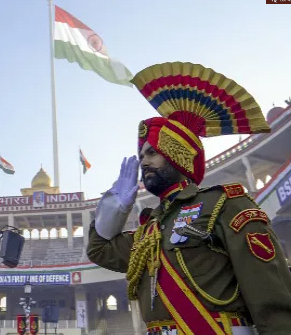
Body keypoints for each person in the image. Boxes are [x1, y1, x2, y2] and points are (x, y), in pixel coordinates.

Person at [87, 62, 291, 335]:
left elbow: (269, 290)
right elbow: (100, 250)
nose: (143, 162)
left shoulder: (224, 203)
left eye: (151, 153)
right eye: (141, 155)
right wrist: (114, 206)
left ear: (177, 155)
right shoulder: (149, 229)